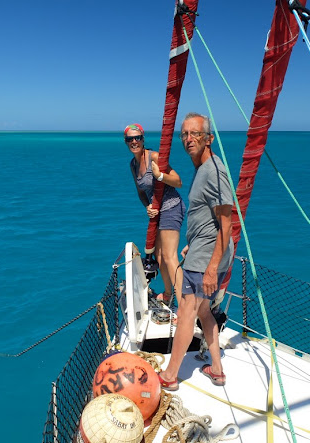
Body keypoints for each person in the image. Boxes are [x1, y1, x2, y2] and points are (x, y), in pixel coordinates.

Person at [158, 113, 234, 390]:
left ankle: (170, 376)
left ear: (208, 138)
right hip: (204, 251)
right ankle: (217, 370)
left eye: (196, 134)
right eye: (185, 134)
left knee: (186, 312)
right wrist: (193, 241)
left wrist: (211, 267)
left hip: (207, 259)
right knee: (204, 311)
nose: (189, 139)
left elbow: (227, 222)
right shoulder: (203, 169)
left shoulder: (213, 171)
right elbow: (210, 218)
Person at [124, 123, 185, 304]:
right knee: (159, 256)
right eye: (130, 139)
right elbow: (141, 193)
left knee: (170, 256)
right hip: (157, 212)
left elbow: (178, 181)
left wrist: (160, 176)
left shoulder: (155, 157)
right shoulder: (133, 165)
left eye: (137, 138)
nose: (134, 141)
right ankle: (168, 294)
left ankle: (184, 304)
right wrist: (147, 206)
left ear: (143, 139)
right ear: (126, 142)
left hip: (172, 207)